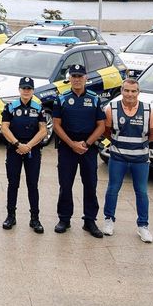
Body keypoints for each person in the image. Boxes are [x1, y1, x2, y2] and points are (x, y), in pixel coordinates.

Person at [51, 64, 106, 237]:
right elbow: (56, 125)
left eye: (80, 76)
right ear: (69, 78)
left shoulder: (94, 98)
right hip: (67, 148)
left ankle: (90, 220)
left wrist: (86, 144)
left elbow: (101, 125)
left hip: (88, 148)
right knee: (65, 185)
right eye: (74, 76)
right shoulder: (61, 98)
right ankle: (64, 219)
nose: (76, 79)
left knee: (90, 184)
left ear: (86, 78)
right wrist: (72, 144)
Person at [102, 78, 153, 243]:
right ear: (121, 91)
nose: (130, 94)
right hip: (118, 157)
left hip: (140, 159)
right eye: (126, 90)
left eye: (133, 91)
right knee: (113, 189)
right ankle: (109, 220)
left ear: (138, 92)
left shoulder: (148, 110)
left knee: (141, 192)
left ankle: (143, 226)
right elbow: (106, 131)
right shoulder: (111, 108)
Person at [0, 77, 47, 233]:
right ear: (19, 89)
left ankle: (35, 218)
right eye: (24, 88)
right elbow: (5, 128)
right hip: (15, 148)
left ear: (33, 91)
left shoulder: (38, 108)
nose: (26, 91)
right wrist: (17, 145)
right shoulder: (11, 107)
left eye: (29, 89)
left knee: (32, 185)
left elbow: (43, 130)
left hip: (31, 149)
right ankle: (10, 216)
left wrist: (28, 146)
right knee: (13, 184)